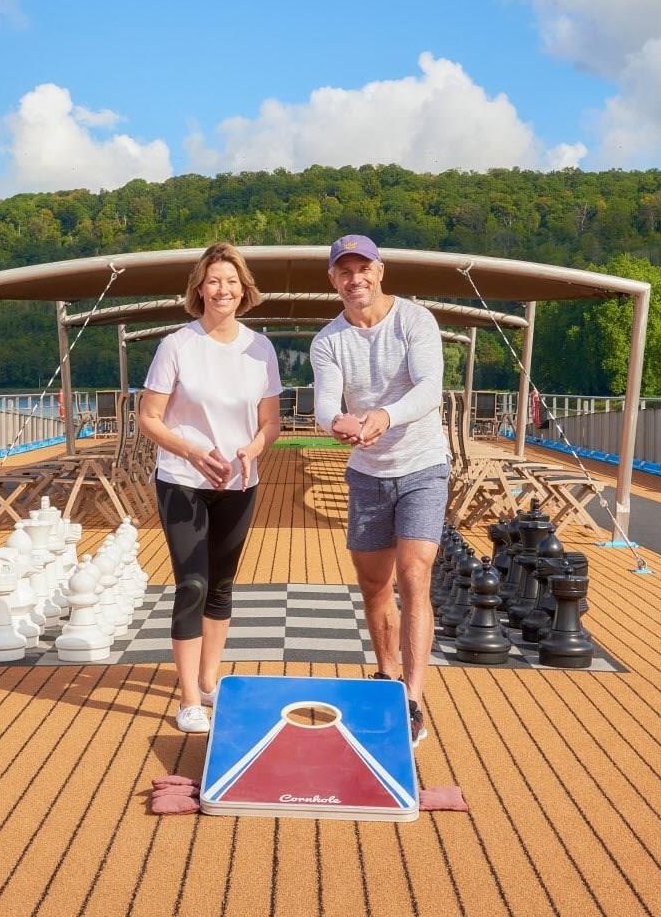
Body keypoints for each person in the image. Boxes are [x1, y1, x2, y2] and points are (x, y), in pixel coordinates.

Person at [138, 242, 282, 734]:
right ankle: (187, 700)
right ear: (199, 288)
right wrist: (193, 452)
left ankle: (207, 681)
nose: (223, 290)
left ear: (244, 290)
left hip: (239, 482)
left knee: (221, 585)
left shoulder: (260, 349)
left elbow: (270, 422)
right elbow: (149, 418)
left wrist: (253, 449)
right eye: (214, 281)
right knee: (192, 585)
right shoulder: (177, 345)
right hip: (184, 481)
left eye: (232, 282)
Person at [311, 234, 447, 746]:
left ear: (380, 270)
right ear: (333, 279)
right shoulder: (328, 340)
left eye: (363, 268)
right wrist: (338, 422)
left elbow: (429, 387)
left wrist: (385, 416)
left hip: (422, 465)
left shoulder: (415, 320)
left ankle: (412, 698)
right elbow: (326, 403)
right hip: (368, 472)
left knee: (414, 574)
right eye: (345, 272)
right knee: (373, 584)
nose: (356, 279)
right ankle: (386, 675)